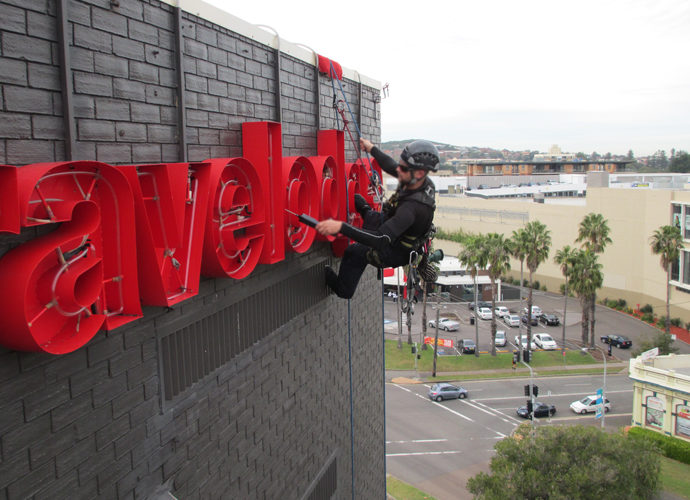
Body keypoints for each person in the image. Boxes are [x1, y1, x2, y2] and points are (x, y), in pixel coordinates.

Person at [315, 137, 439, 299]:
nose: (398, 170)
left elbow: (379, 239)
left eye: (403, 167)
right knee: (359, 200)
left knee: (355, 251)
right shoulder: (421, 181)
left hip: (393, 250)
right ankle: (363, 211)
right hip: (393, 228)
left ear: (420, 172)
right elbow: (391, 166)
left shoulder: (412, 209)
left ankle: (342, 289)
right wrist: (371, 148)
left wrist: (341, 227)